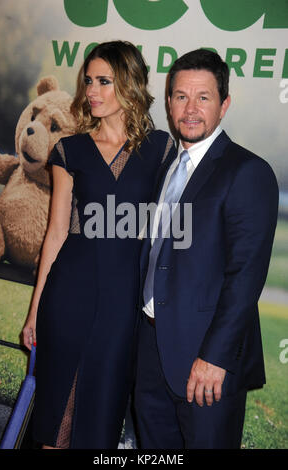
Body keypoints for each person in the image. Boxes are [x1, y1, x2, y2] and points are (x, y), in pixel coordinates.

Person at [22, 40, 175, 449]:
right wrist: (35, 310)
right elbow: (55, 234)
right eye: (89, 80)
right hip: (68, 294)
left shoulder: (161, 150)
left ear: (130, 84)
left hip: (122, 307)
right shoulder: (68, 150)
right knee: (56, 412)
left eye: (104, 81)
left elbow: (162, 235)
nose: (91, 90)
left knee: (102, 415)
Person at [134, 48, 279, 449]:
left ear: (224, 104)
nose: (191, 109)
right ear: (168, 101)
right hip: (150, 350)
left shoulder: (247, 172)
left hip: (206, 361)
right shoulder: (166, 165)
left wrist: (215, 357)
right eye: (181, 96)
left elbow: (245, 278)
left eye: (203, 97)